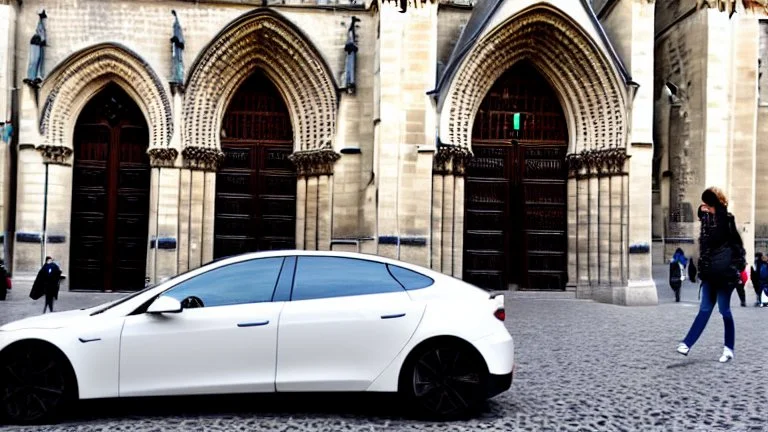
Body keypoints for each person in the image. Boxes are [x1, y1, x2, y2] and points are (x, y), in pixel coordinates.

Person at [677, 187, 746, 363]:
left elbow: (737, 245)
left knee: (724, 310)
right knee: (705, 308)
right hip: (709, 274)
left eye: (708, 204)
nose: (705, 207)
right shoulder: (705, 224)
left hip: (725, 274)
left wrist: (736, 267)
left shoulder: (727, 220)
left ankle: (728, 348)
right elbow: (700, 249)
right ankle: (686, 344)